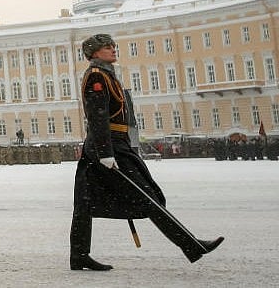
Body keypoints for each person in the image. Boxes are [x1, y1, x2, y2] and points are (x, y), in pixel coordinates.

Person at [70, 34, 224, 271]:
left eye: (113, 45)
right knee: (146, 196)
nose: (113, 49)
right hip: (107, 148)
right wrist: (105, 152)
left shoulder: (107, 74)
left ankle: (79, 255)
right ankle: (191, 245)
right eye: (107, 46)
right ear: (94, 53)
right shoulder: (96, 77)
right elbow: (98, 116)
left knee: (85, 202)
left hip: (114, 145)